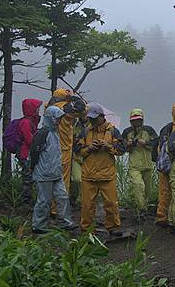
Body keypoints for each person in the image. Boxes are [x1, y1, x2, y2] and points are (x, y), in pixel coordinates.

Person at [75, 103, 125, 236]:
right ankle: (86, 229)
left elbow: (121, 150)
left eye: (95, 118)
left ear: (102, 117)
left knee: (111, 203)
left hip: (107, 174)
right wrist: (89, 148)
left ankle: (113, 227)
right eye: (90, 118)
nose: (92, 120)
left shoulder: (113, 131)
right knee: (87, 205)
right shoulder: (85, 131)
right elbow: (77, 151)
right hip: (89, 174)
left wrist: (108, 146)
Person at [31, 106, 77, 234]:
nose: (58, 121)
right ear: (50, 118)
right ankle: (39, 225)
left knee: (62, 196)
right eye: (56, 119)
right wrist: (34, 170)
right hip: (44, 174)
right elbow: (34, 154)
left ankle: (64, 221)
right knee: (44, 201)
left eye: (59, 119)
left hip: (56, 173)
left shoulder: (55, 133)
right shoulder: (42, 134)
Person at [47, 88, 85, 192]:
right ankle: (59, 207)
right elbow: (82, 109)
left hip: (50, 149)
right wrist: (75, 98)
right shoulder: (64, 107)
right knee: (62, 180)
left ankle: (51, 206)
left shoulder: (49, 108)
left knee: (51, 180)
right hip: (63, 148)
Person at [122, 108, 158, 216]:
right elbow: (122, 148)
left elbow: (156, 143)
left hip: (147, 164)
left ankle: (142, 209)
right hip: (134, 165)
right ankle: (142, 209)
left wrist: (146, 142)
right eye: (134, 120)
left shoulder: (149, 130)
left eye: (138, 120)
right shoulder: (127, 132)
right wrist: (128, 144)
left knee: (146, 190)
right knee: (138, 185)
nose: (136, 122)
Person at [155, 102, 175, 227]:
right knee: (165, 192)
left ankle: (170, 217)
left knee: (174, 193)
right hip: (168, 165)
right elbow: (161, 147)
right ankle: (162, 217)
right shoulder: (169, 129)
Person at [17, 98, 43, 204]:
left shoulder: (30, 121)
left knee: (29, 176)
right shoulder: (26, 123)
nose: (38, 111)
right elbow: (29, 139)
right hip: (26, 154)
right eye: (37, 109)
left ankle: (28, 198)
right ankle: (26, 200)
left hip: (27, 153)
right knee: (28, 177)